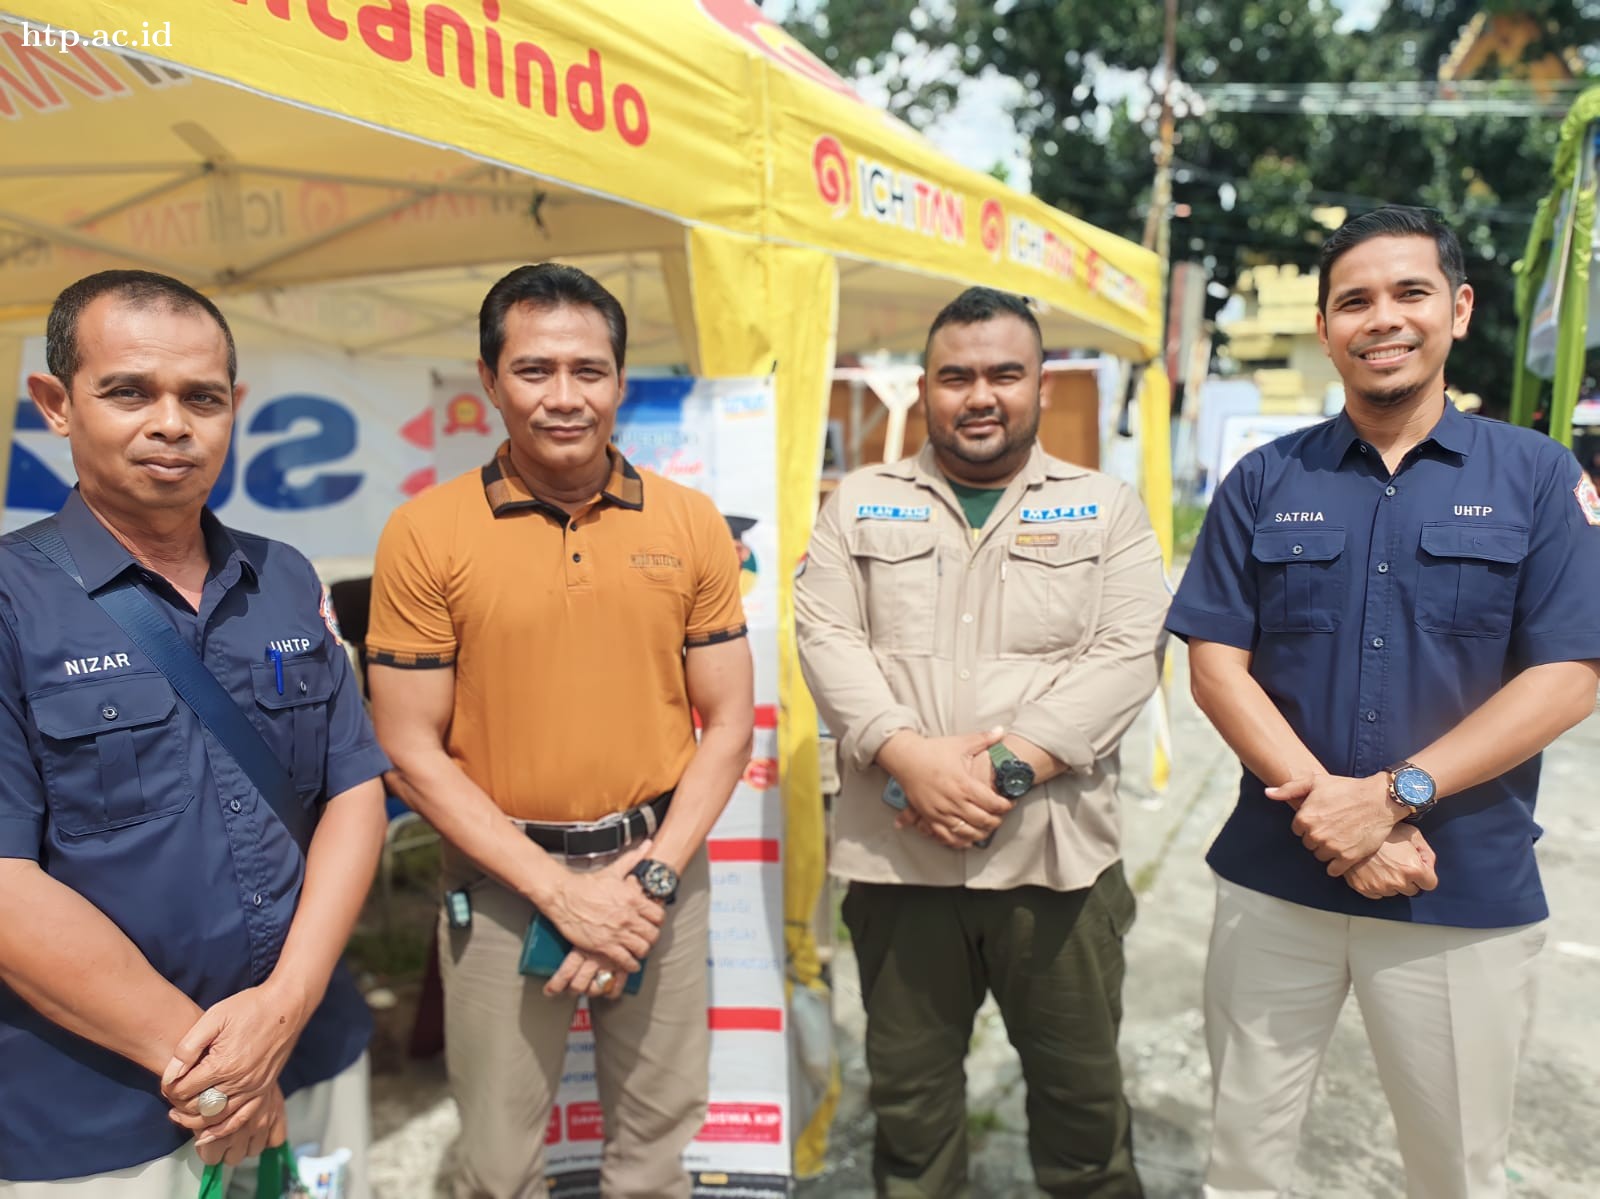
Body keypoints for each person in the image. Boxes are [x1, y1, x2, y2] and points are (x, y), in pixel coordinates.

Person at [1168, 205, 1600, 1198]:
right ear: (1325, 328)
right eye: (1354, 300)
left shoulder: (1538, 478)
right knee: (1240, 1162)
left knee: (1455, 1173)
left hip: (1457, 886)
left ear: (1458, 308)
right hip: (1276, 880)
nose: (1383, 319)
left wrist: (1393, 795)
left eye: (1410, 292)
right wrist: (1337, 814)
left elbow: (1569, 674)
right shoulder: (1264, 479)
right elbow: (1215, 664)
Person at [365, 262, 754, 1197]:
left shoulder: (691, 522)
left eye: (590, 370)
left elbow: (731, 723)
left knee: (656, 1153)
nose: (565, 396)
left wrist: (649, 878)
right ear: (490, 379)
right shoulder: (425, 532)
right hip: (501, 881)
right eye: (535, 370)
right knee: (499, 1165)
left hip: (659, 872)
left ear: (620, 380)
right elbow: (408, 751)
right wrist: (559, 893)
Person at [0, 271, 388, 1195]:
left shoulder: (284, 577)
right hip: (104, 1110)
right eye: (130, 391)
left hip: (308, 1052)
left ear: (234, 408)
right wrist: (218, 1067)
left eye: (202, 398)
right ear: (55, 403)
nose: (171, 423)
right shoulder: (14, 601)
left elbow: (352, 789)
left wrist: (282, 1013)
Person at [795, 286, 1168, 1198]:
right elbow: (826, 637)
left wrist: (1002, 771)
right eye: (955, 376)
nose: (980, 396)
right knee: (910, 1110)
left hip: (1055, 866)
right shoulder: (859, 504)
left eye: (1005, 373)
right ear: (925, 386)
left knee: (1083, 1110)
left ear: (1042, 384)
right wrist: (907, 756)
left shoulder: (1105, 508)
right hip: (899, 866)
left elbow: (1130, 653)